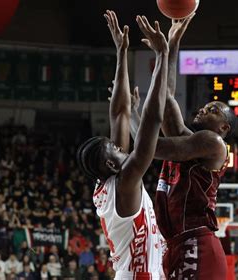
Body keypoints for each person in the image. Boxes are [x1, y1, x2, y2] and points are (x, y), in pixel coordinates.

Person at [129, 15, 237, 279]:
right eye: (205, 105)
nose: (204, 109)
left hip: (196, 242)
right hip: (177, 241)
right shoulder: (190, 141)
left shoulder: (213, 143)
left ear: (223, 128)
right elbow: (165, 99)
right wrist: (170, 47)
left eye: (213, 110)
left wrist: (131, 118)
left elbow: (150, 149)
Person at [76, 10, 168, 279]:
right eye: (116, 149)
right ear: (109, 163)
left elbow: (118, 115)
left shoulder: (107, 181)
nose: (121, 147)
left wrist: (122, 52)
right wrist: (162, 56)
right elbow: (152, 121)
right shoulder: (126, 181)